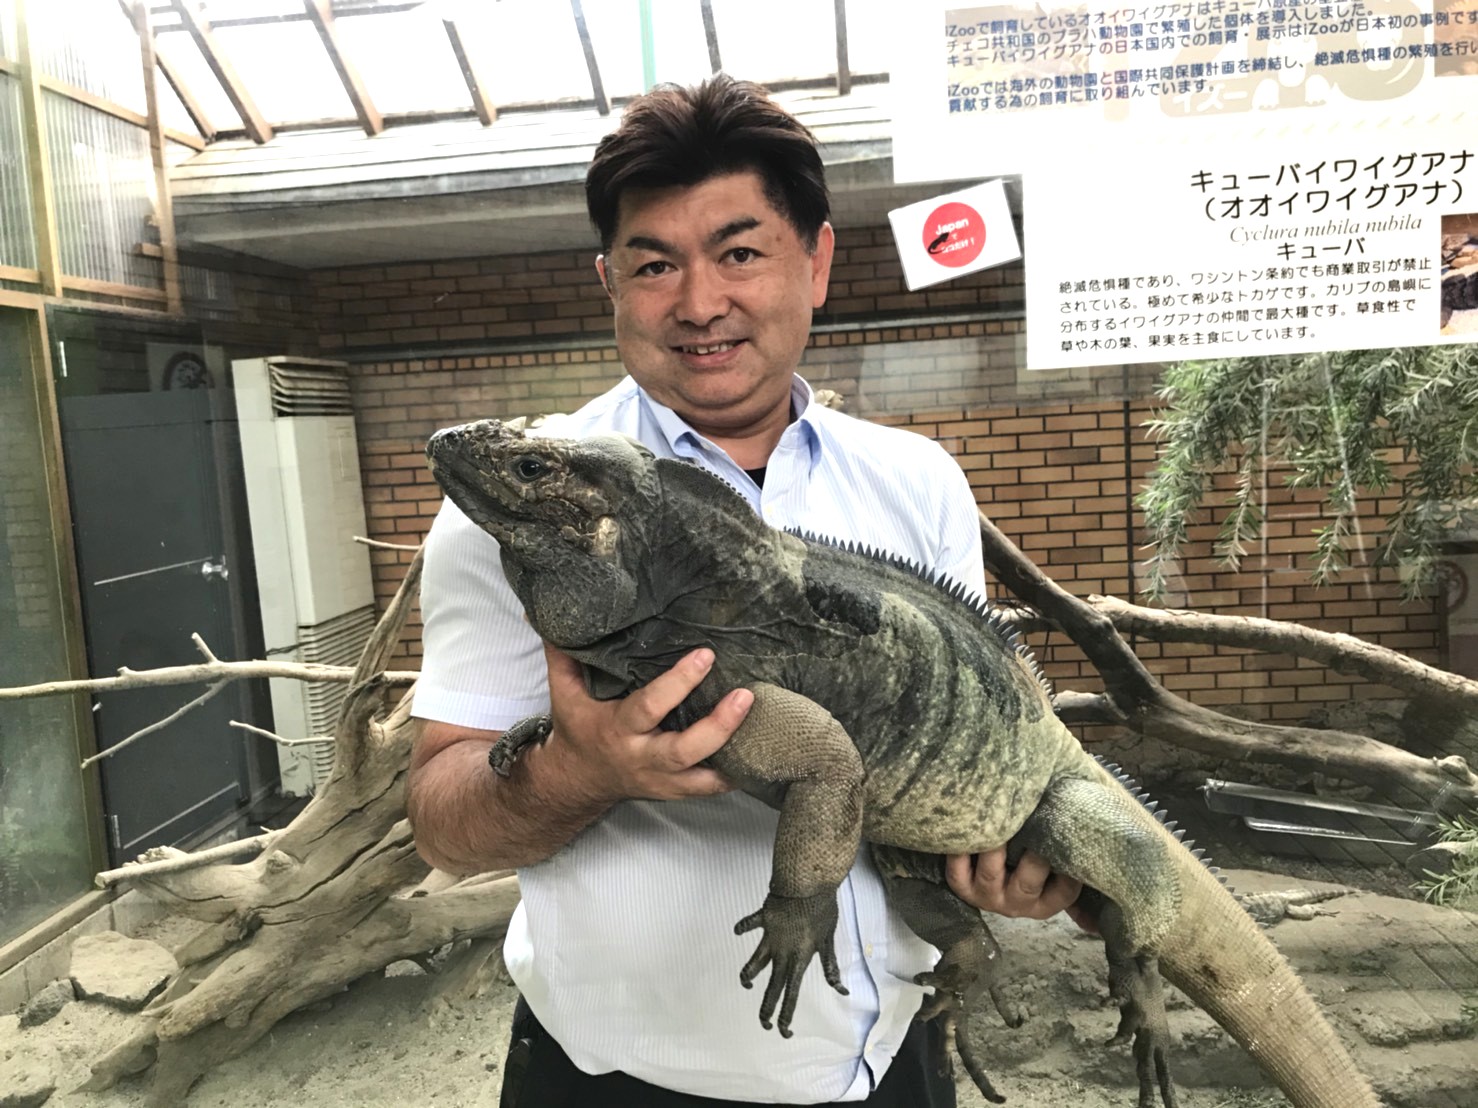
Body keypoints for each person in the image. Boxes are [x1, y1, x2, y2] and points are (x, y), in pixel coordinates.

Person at [406, 75, 1081, 1107]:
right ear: (608, 281)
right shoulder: (523, 511)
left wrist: (1004, 863)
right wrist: (576, 772)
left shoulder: (916, 480)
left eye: (738, 251)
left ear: (813, 259)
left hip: (889, 1057)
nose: (697, 301)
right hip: (616, 1078)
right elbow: (441, 822)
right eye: (652, 263)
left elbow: (936, 751)